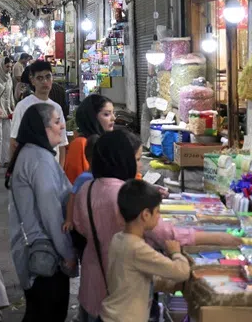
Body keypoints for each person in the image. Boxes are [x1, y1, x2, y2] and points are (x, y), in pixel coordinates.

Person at [73, 130, 240, 322]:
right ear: (122, 160)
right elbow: (168, 235)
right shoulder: (124, 197)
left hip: (92, 285)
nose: (140, 164)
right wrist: (221, 238)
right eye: (136, 159)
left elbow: (80, 226)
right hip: (125, 299)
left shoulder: (87, 189)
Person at [6, 104, 75, 322]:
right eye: (56, 122)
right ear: (41, 128)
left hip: (36, 250)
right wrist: (68, 253)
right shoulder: (39, 160)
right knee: (48, 313)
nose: (62, 126)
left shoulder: (32, 153)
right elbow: (51, 214)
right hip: (44, 254)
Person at [100, 180, 191, 322]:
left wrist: (167, 284)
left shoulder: (118, 239)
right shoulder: (137, 249)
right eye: (157, 212)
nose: (159, 216)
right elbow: (182, 271)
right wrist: (176, 253)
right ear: (146, 215)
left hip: (111, 315)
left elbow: (134, 278)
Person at [10, 61, 68, 165]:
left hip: (52, 166)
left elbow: (62, 143)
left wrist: (61, 171)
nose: (45, 82)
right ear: (32, 80)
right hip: (30, 166)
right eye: (40, 78)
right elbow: (14, 141)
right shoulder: (23, 106)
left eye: (48, 77)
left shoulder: (57, 108)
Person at [64, 94, 115, 183]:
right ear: (93, 117)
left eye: (113, 113)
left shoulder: (104, 142)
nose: (113, 118)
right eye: (107, 114)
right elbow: (77, 183)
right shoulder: (81, 143)